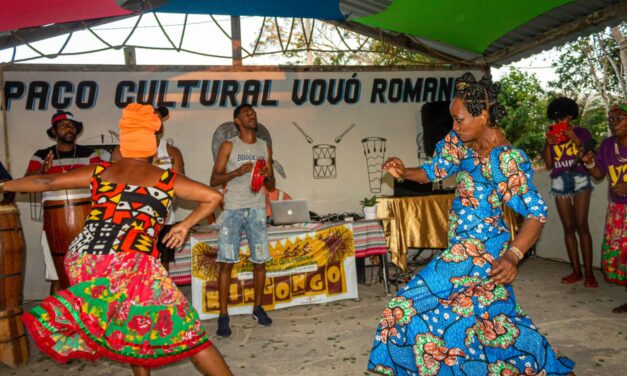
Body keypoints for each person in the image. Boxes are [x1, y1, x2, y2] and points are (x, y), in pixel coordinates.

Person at [2, 103, 232, 376]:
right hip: (129, 260)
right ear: (150, 146)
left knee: (130, 324)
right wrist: (183, 226)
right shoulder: (165, 178)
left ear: (123, 145)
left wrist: (3, 185)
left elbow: (47, 183)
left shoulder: (100, 172)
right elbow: (214, 197)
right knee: (190, 335)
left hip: (85, 260)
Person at [369, 73, 575, 375]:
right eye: (453, 119)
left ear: (484, 115)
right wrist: (404, 172)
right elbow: (433, 170)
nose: (454, 126)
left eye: (459, 119)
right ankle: (548, 367)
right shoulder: (461, 143)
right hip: (460, 246)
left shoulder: (505, 159)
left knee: (405, 305)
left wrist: (513, 255)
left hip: (479, 255)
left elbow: (536, 213)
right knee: (495, 323)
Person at [210, 103, 275, 338]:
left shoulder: (264, 146)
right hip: (233, 209)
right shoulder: (229, 145)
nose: (252, 116)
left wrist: (268, 177)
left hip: (257, 208)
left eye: (254, 113)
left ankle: (258, 308)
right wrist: (237, 172)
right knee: (226, 262)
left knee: (260, 260)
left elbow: (272, 185)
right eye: (247, 114)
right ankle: (223, 315)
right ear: (237, 120)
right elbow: (214, 179)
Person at [26, 109, 102, 294]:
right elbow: (25, 183)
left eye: (72, 126)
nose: (68, 129)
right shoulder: (42, 154)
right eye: (62, 125)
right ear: (54, 131)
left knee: (89, 274)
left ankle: (88, 318)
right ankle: (56, 320)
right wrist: (43, 170)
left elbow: (101, 183)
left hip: (86, 221)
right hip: (55, 222)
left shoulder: (90, 155)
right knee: (57, 275)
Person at [111, 105, 185, 271]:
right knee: (131, 266)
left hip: (164, 218)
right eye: (151, 117)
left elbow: (181, 185)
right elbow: (114, 183)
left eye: (158, 118)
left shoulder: (172, 151)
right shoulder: (122, 150)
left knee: (162, 266)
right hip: (131, 219)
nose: (155, 121)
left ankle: (161, 297)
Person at [542, 97, 597, 287]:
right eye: (555, 120)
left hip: (580, 177)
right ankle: (576, 271)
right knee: (568, 227)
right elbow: (549, 165)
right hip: (559, 180)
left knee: (582, 224)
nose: (558, 123)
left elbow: (591, 153)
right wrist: (549, 143)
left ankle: (589, 273)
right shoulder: (551, 135)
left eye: (562, 118)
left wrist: (574, 138)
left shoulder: (581, 131)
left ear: (571, 116)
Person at [582, 103, 627, 313]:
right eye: (611, 118)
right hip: (618, 210)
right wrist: (590, 163)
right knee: (621, 255)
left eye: (619, 117)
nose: (613, 122)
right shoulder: (608, 145)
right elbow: (599, 175)